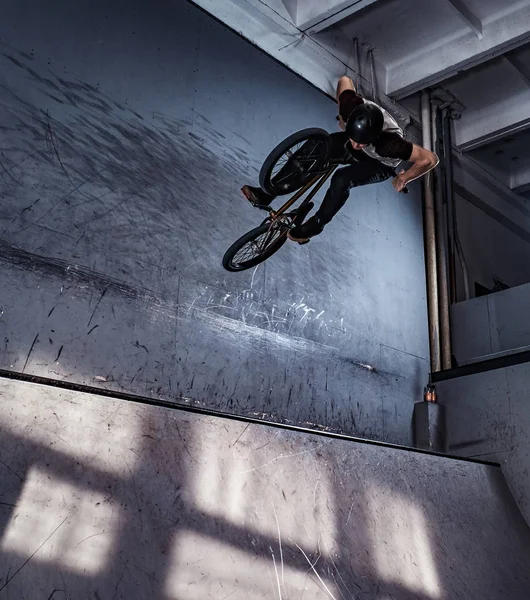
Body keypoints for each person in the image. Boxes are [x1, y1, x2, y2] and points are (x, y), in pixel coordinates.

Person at [241, 76, 439, 242]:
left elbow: (430, 159)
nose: (356, 145)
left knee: (342, 179)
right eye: (355, 139)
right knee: (317, 146)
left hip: (378, 164)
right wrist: (343, 119)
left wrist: (404, 178)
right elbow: (345, 80)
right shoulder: (350, 106)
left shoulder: (390, 145)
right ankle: (269, 192)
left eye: (361, 143)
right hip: (356, 135)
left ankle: (317, 224)